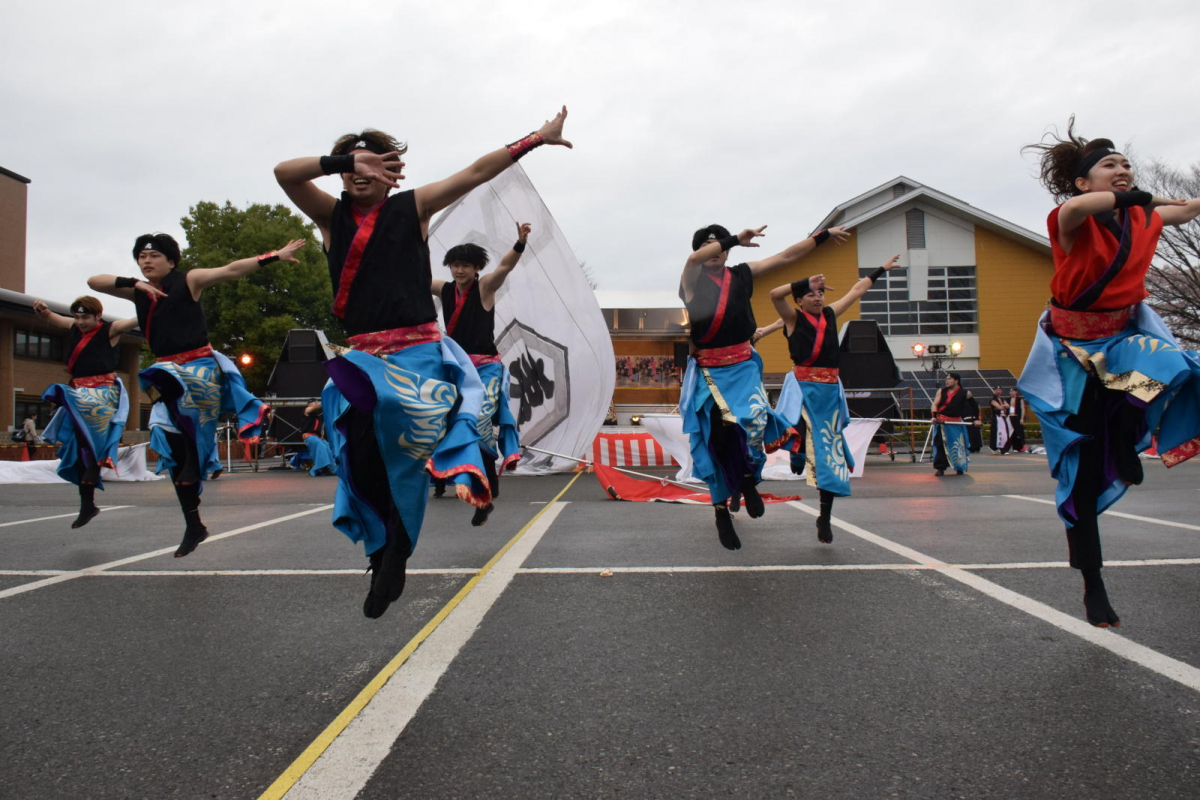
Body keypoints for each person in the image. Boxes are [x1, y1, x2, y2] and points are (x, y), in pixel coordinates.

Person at [274, 107, 572, 618]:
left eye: (370, 164)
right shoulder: (330, 217)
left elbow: (475, 172)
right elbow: (284, 173)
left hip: (417, 355)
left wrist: (537, 139)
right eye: (351, 166)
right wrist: (345, 159)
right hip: (364, 356)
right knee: (358, 457)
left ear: (389, 171)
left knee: (406, 455)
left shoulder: (411, 207)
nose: (359, 173)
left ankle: (404, 545)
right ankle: (381, 551)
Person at [1020, 119, 1200, 626]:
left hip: (1122, 339)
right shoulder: (1070, 217)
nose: (1122, 169)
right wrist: (1140, 197)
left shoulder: (1143, 217)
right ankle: (1092, 583)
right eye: (1108, 165)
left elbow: (1187, 210)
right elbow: (1084, 206)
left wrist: (1152, 201)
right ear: (1082, 182)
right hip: (1072, 354)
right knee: (1080, 473)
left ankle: (1125, 434)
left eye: (1125, 163)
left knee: (1173, 364)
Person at [89, 234, 289, 556]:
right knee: (166, 440)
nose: (146, 261)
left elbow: (231, 270)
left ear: (171, 261)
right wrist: (134, 283)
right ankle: (194, 523)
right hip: (167, 371)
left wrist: (275, 255)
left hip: (199, 369)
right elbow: (94, 281)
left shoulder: (189, 280)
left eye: (154, 255)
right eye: (141, 256)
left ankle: (195, 462)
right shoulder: (138, 290)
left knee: (191, 426)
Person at [678, 223, 845, 550]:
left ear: (727, 253)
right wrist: (734, 239)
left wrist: (823, 237)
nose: (715, 250)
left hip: (743, 367)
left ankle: (747, 480)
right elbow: (693, 259)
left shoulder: (741, 274)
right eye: (708, 245)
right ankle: (721, 512)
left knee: (754, 422)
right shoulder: (692, 278)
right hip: (710, 371)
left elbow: (785, 256)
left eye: (719, 244)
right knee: (717, 438)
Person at [766, 255, 900, 543]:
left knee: (830, 455)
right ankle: (796, 451)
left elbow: (857, 290)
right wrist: (804, 281)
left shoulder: (829, 314)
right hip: (802, 387)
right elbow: (775, 294)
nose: (818, 298)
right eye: (811, 294)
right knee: (794, 424)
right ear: (799, 300)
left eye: (820, 293)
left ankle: (824, 516)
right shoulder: (793, 319)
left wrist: (881, 269)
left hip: (828, 390)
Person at [429, 226, 527, 523]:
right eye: (455, 265)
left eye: (465, 266)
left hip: (485, 369)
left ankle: (488, 491)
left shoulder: (484, 288)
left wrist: (520, 243)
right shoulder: (445, 289)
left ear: (476, 269)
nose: (459, 270)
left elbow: (505, 267)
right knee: (446, 421)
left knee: (480, 421)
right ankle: (452, 481)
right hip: (456, 369)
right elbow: (412, 277)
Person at [34, 297, 139, 528]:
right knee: (80, 446)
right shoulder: (73, 327)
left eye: (86, 317)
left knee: (91, 442)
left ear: (98, 316)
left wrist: (154, 303)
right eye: (77, 317)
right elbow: (52, 317)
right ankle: (87, 504)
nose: (80, 322)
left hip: (103, 394)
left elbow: (136, 320)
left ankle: (94, 469)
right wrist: (43, 311)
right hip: (78, 393)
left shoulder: (110, 330)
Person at [930, 372, 972, 476]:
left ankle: (959, 467)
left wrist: (975, 419)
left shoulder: (966, 393)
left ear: (956, 381)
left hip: (956, 423)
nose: (947, 381)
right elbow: (935, 405)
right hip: (942, 422)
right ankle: (940, 468)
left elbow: (973, 406)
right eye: (946, 379)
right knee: (940, 444)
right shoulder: (941, 391)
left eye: (949, 379)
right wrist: (934, 416)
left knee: (958, 445)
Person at [291, 399, 334, 476]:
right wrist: (326, 399)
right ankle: (323, 469)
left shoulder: (315, 416)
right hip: (309, 435)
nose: (316, 403)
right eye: (315, 402)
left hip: (317, 436)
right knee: (321, 447)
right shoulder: (307, 410)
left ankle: (330, 468)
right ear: (309, 404)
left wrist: (321, 435)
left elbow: (318, 427)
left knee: (327, 447)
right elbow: (316, 407)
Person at [988, 386, 1012, 454]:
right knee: (998, 433)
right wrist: (1003, 406)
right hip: (997, 418)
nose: (998, 391)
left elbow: (1008, 406)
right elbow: (999, 407)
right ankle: (996, 447)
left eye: (1000, 390)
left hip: (1003, 417)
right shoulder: (992, 400)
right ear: (994, 391)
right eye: (997, 390)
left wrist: (1002, 406)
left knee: (1004, 433)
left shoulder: (1002, 399)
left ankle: (1003, 448)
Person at [1007, 387, 1027, 452]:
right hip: (1010, 417)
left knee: (1019, 432)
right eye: (1010, 391)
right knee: (1011, 433)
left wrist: (1022, 418)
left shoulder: (1020, 400)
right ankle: (1014, 447)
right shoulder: (1007, 400)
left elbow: (1023, 409)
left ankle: (1021, 446)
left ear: (1016, 392)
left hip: (1017, 417)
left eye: (1013, 391)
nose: (1011, 393)